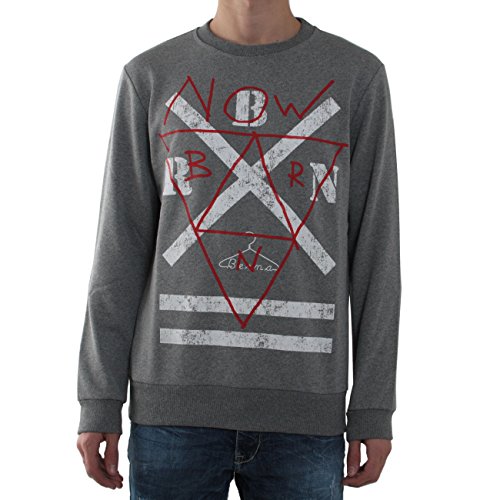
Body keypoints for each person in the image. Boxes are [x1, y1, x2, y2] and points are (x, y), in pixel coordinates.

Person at [76, 0, 401, 498]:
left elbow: (377, 253)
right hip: (170, 412)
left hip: (307, 412)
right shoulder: (151, 76)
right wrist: (99, 398)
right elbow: (119, 251)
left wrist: (373, 406)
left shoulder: (356, 78)